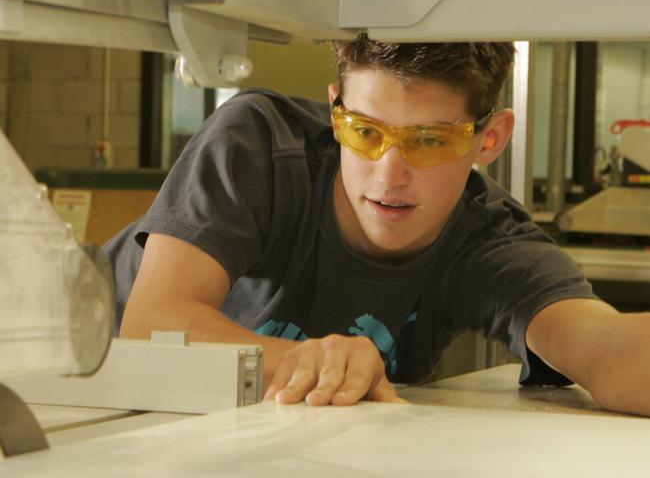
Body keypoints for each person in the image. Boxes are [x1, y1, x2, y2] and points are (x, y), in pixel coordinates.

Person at [106, 34, 650, 415]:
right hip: (65, 378)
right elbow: (152, 326)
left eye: (431, 141)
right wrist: (308, 361)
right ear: (335, 109)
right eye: (365, 133)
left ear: (492, 138)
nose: (390, 175)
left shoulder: (486, 241)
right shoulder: (259, 146)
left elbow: (605, 348)